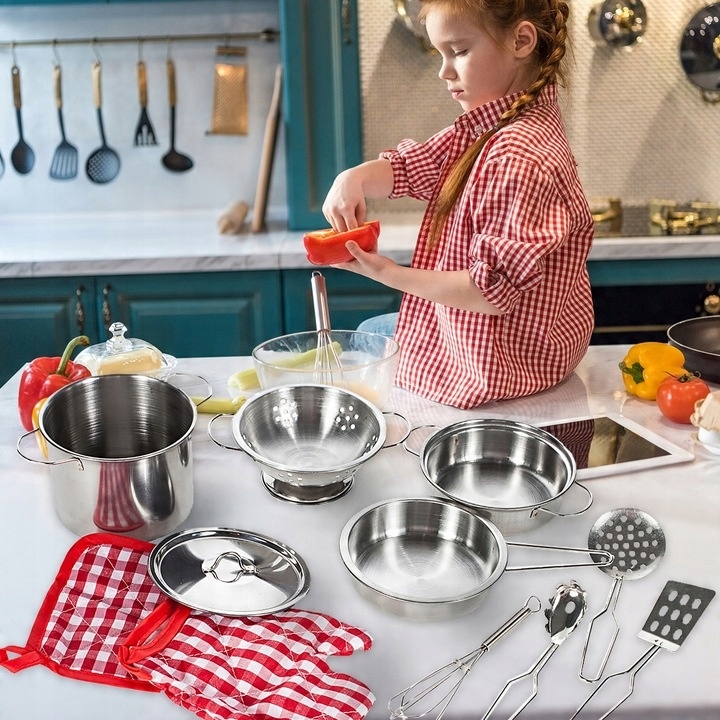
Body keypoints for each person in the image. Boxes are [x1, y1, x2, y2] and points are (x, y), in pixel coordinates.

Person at [322, 0, 594, 410]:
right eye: (441, 54)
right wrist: (353, 178)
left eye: (459, 51)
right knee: (371, 331)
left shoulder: (517, 156)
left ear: (522, 41)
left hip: (501, 365)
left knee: (365, 338)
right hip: (523, 349)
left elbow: (488, 292)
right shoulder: (497, 125)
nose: (444, 72)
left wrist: (386, 273)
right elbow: (417, 166)